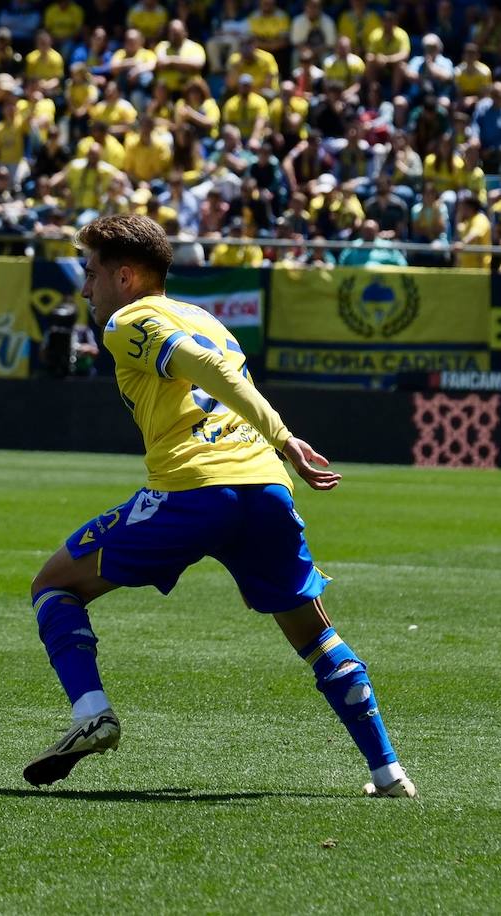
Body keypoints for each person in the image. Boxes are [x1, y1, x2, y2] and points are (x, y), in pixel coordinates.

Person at [21, 213, 416, 799]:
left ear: (125, 277)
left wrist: (287, 438)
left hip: (193, 489)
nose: (85, 288)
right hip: (263, 488)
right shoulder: (206, 318)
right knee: (313, 631)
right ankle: (388, 772)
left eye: (92, 272)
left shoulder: (130, 319)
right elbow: (222, 372)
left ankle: (91, 712)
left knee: (53, 585)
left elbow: (201, 368)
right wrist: (276, 450)